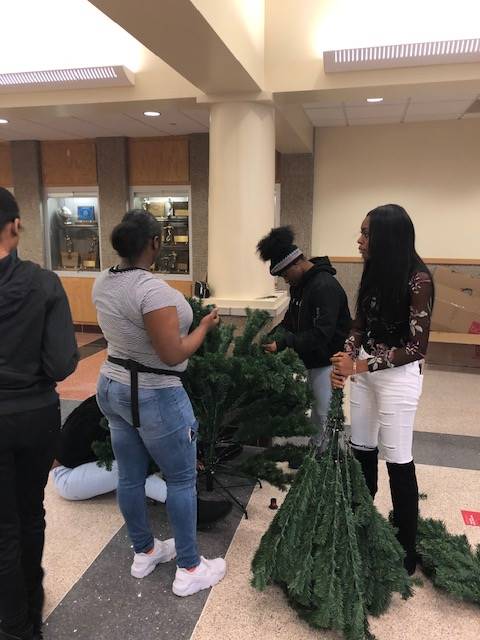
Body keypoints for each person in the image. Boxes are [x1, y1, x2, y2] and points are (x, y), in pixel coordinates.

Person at [93, 210, 226, 596]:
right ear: (154, 243)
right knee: (182, 479)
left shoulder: (103, 282)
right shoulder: (153, 292)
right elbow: (172, 353)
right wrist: (202, 326)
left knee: (130, 476)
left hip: (112, 386)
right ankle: (189, 569)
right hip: (156, 393)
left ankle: (145, 551)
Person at [331, 204, 434, 575]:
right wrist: (345, 355)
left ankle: (406, 549)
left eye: (365, 234)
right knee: (361, 450)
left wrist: (359, 364)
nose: (359, 241)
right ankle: (362, 526)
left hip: (398, 378)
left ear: (386, 238)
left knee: (397, 458)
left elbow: (416, 348)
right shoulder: (375, 270)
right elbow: (360, 322)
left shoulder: (418, 280)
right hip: (365, 373)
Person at [0, 187, 78, 640]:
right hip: (35, 414)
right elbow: (64, 363)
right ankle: (32, 602)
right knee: (31, 513)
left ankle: (15, 625)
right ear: (15, 225)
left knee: (2, 527)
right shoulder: (44, 283)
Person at [51, 396, 232, 528]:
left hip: (89, 465)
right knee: (129, 467)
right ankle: (189, 509)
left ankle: (202, 452)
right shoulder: (100, 416)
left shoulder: (119, 404)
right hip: (68, 476)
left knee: (142, 455)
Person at [257, 226, 351, 448]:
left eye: (285, 275)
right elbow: (291, 318)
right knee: (317, 407)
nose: (285, 280)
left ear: (297, 263)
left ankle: (326, 455)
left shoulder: (324, 287)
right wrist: (274, 335)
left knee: (325, 409)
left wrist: (284, 342)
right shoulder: (301, 286)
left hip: (328, 359)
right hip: (312, 357)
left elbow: (322, 334)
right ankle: (316, 447)